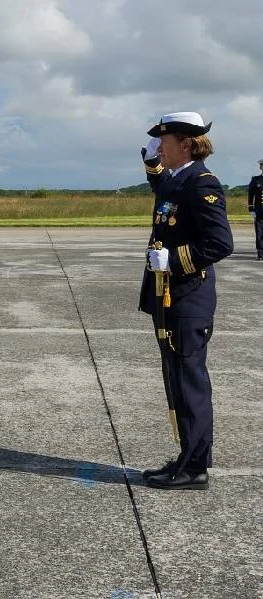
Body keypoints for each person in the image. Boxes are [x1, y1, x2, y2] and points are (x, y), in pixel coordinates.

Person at [139, 112, 233, 490]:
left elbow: (220, 242)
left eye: (166, 140)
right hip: (169, 298)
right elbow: (161, 186)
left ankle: (194, 466)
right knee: (177, 380)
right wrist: (150, 162)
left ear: (187, 144)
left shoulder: (201, 184)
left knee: (189, 381)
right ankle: (188, 455)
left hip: (187, 297)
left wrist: (175, 260)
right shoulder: (178, 181)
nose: (160, 145)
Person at [247, 159, 263, 260]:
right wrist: (251, 209)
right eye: (262, 165)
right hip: (259, 210)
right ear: (260, 167)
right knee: (259, 232)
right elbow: (250, 195)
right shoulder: (256, 180)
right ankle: (260, 253)